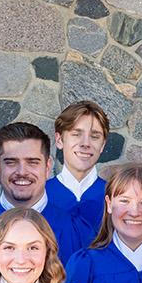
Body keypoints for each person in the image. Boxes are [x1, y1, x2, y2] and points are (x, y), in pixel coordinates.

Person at [0, 122, 84, 272]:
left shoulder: (76, 231)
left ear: (48, 167)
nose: (22, 172)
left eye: (32, 162)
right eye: (11, 162)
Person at [49, 99, 111, 236]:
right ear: (59, 140)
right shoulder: (40, 195)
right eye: (76, 134)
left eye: (94, 136)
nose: (85, 143)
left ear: (102, 145)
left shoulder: (114, 196)